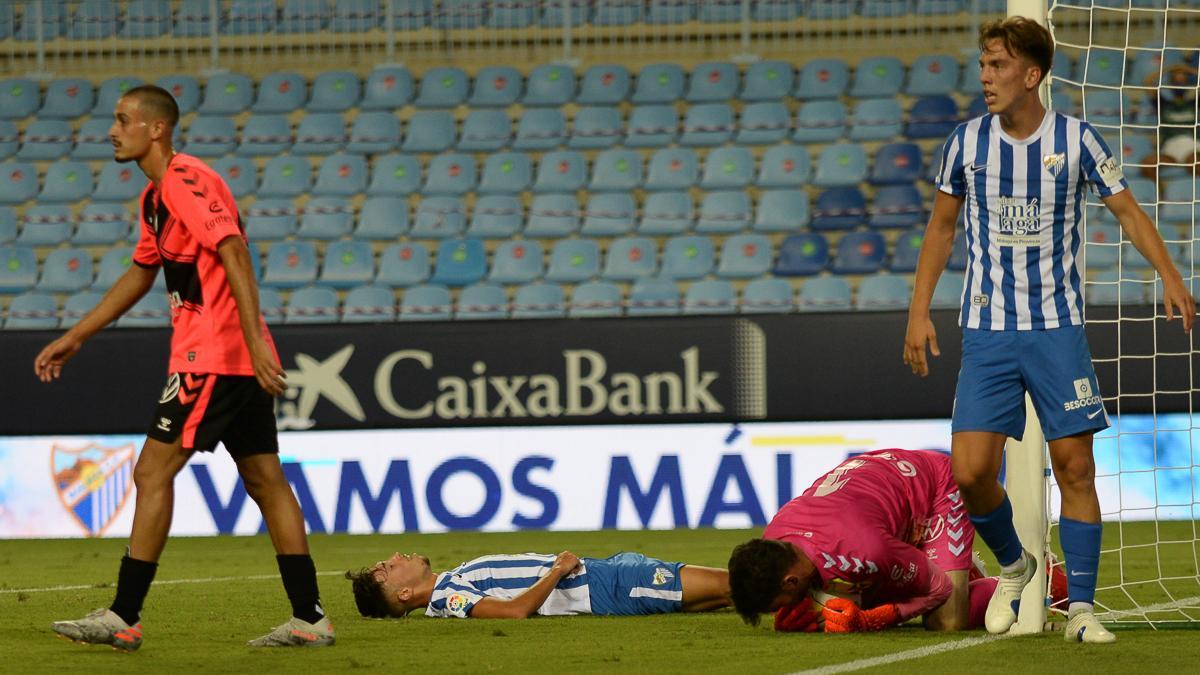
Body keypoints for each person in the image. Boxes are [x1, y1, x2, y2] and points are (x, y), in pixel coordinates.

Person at [903, 17, 1196, 644]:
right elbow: (941, 229)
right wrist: (918, 310)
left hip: (1056, 328)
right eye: (982, 65)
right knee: (972, 471)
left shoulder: (1078, 141)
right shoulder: (965, 144)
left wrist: (1170, 274)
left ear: (1031, 75)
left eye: (998, 66)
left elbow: (1127, 211)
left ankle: (1084, 609)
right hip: (987, 330)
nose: (985, 77)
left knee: (1076, 467)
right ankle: (1015, 564)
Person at [37, 85, 333, 651]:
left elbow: (234, 250)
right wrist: (77, 335)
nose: (112, 129)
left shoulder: (185, 179)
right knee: (266, 480)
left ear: (156, 129)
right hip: (229, 357)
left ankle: (124, 615)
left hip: (213, 358)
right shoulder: (154, 200)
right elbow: (140, 273)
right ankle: (310, 618)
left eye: (123, 120)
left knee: (152, 473)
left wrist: (251, 339)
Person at [728, 449, 988, 633]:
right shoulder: (774, 541)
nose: (781, 612)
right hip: (872, 487)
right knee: (845, 599)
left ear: (791, 581)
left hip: (934, 485)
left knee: (947, 621)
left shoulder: (861, 551)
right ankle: (947, 563)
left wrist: (871, 619)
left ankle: (1003, 585)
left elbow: (939, 588)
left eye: (779, 606)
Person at [345, 550, 730, 619]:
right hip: (605, 585)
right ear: (404, 594)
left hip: (605, 576)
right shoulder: (449, 595)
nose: (395, 557)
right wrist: (557, 571)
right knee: (736, 585)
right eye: (387, 569)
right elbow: (514, 612)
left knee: (731, 595)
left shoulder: (445, 593)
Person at [1140, 54, 1199, 180]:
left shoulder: (1194, 103)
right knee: (1147, 163)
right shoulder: (1163, 103)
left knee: (1195, 161)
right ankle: (1159, 197)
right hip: (1169, 149)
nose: (1179, 82)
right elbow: (1147, 82)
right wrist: (1170, 69)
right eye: (1176, 79)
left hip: (1192, 147)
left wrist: (1187, 69)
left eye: (1183, 79)